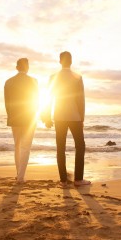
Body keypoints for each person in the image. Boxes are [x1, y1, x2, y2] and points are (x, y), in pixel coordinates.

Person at [42, 51, 91, 187]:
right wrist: (82, 119)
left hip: (59, 117)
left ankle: (63, 181)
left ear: (60, 61)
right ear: (71, 61)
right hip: (75, 116)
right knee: (80, 146)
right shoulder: (77, 77)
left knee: (60, 147)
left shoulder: (53, 77)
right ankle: (78, 179)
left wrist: (46, 116)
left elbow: (48, 98)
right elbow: (81, 100)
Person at [4, 58, 38, 183]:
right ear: (27, 67)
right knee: (26, 147)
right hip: (29, 117)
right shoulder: (33, 81)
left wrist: (10, 115)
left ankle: (18, 173)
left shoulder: (9, 82)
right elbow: (37, 100)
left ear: (17, 67)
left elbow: (7, 103)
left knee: (17, 145)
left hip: (15, 117)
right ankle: (21, 177)